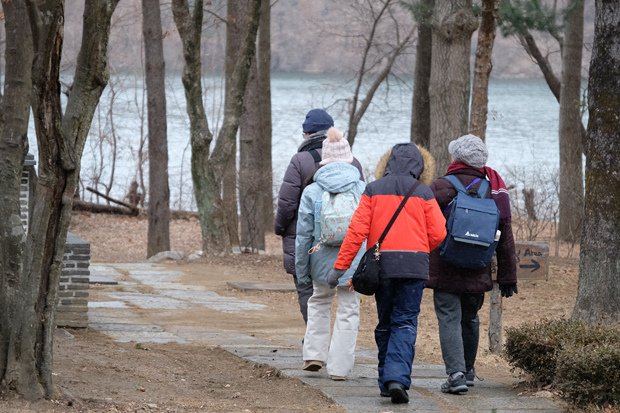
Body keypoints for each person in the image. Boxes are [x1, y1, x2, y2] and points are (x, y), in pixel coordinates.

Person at [328, 143, 447, 404]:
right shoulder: (424, 192)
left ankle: (387, 380)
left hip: (382, 267)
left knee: (385, 323)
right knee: (405, 321)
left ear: (388, 163)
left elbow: (356, 232)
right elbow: (439, 233)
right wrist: (419, 247)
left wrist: (339, 267)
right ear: (420, 166)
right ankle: (397, 378)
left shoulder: (373, 189)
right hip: (414, 267)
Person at [427, 134, 518, 394]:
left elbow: (425, 226)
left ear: (456, 158)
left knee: (449, 317)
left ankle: (454, 375)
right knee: (470, 317)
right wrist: (508, 276)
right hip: (478, 266)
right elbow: (505, 235)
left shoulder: (441, 186)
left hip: (445, 266)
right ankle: (467, 371)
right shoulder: (494, 190)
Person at [274, 109, 363, 324]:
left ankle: (313, 340)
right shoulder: (354, 163)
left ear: (306, 134)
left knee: (309, 292)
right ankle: (337, 345)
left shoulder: (300, 160)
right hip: (347, 238)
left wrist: (280, 227)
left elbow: (287, 203)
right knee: (346, 298)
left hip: (306, 236)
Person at [295, 127, 365, 380]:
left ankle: (314, 354)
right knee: (348, 309)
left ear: (324, 159)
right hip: (352, 260)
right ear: (349, 158)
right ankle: (339, 368)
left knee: (319, 300)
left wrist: (302, 271)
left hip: (320, 258)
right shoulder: (361, 189)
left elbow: (303, 236)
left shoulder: (312, 190)